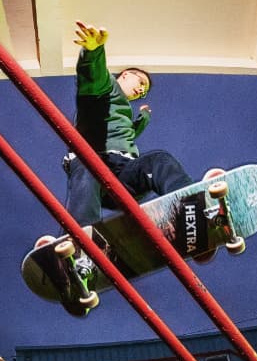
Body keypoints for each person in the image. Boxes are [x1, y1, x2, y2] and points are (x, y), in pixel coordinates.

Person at [60, 20, 192, 232]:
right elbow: (93, 78)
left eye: (144, 90)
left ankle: (189, 206)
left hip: (123, 175)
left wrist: (143, 119)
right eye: (140, 82)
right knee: (87, 167)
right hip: (93, 164)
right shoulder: (106, 87)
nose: (141, 90)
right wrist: (93, 52)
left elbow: (125, 133)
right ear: (125, 74)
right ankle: (81, 238)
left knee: (159, 160)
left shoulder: (124, 110)